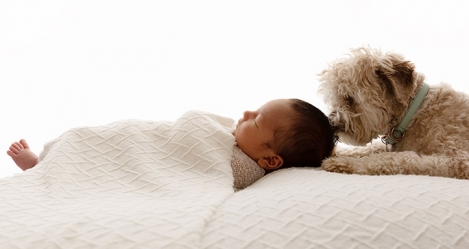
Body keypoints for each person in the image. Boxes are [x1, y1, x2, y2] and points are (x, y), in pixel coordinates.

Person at [7, 99, 337, 190]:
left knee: (99, 168)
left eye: (257, 120)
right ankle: (50, 162)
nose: (247, 113)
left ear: (271, 160)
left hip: (145, 163)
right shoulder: (225, 131)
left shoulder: (242, 169)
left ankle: (41, 168)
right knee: (90, 137)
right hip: (140, 139)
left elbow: (195, 179)